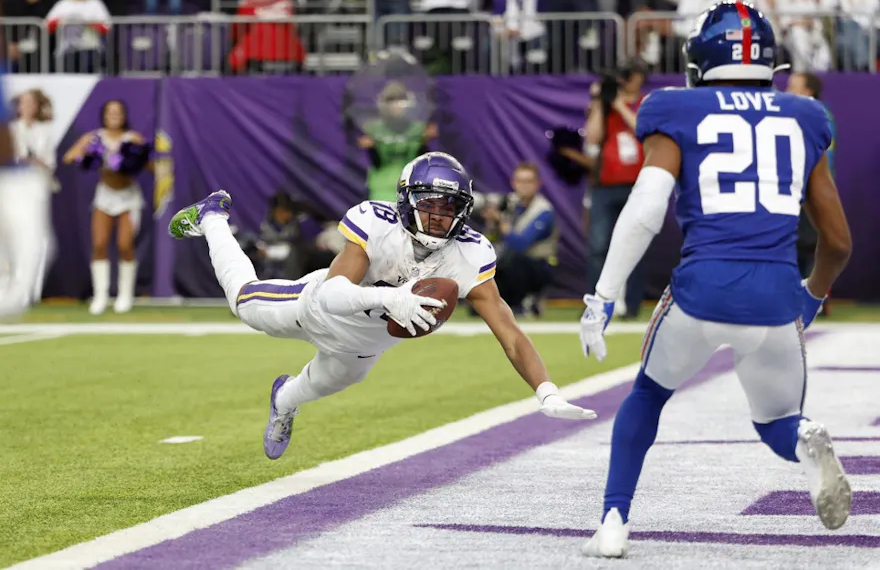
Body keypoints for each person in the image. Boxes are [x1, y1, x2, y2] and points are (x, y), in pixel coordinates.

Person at [578, 1, 852, 558]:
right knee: (779, 422)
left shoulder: (674, 109)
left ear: (699, 59)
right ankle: (805, 443)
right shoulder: (806, 115)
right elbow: (839, 242)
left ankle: (613, 521)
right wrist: (813, 295)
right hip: (775, 297)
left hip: (700, 291)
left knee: (648, 395)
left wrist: (603, 297)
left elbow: (645, 210)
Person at [168, 152, 596, 460]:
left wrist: (547, 392)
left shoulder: (470, 253)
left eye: (450, 209)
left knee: (324, 383)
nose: (439, 218)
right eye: (430, 205)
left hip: (366, 346)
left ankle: (283, 401)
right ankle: (213, 218)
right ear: (406, 200)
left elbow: (510, 332)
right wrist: (392, 297)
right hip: (317, 307)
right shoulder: (377, 223)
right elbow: (336, 292)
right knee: (245, 303)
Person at [62, 99, 151, 315]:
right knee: (100, 243)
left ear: (124, 115)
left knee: (124, 245)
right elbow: (68, 157)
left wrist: (132, 159)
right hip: (105, 196)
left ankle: (125, 295)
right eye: (110, 112)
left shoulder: (133, 138)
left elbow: (151, 165)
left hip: (128, 197)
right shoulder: (95, 137)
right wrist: (89, 155)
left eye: (118, 112)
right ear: (104, 115)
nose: (114, 116)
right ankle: (100, 296)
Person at [585, 59, 648, 319]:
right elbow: (593, 137)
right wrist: (601, 103)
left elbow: (642, 129)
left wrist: (621, 106)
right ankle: (595, 303)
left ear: (638, 78)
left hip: (638, 184)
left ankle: (631, 304)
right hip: (605, 183)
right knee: (598, 245)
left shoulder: (645, 102)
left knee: (634, 243)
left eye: (627, 76)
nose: (623, 82)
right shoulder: (606, 106)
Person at [0, 86, 52, 319]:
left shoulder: (45, 130)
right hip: (11, 183)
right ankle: (7, 291)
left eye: (32, 102)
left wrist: (33, 163)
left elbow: (49, 163)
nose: (27, 106)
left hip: (34, 185)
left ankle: (30, 293)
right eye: (23, 102)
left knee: (39, 243)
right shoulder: (11, 127)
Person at [786, 72, 835, 316]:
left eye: (793, 86)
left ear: (809, 91)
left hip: (808, 189)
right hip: (792, 189)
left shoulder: (817, 116)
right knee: (792, 247)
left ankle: (817, 299)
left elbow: (824, 157)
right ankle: (792, 298)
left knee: (813, 247)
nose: (788, 91)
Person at [483, 162, 557, 316]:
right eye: (519, 181)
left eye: (528, 181)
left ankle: (527, 300)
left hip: (537, 265)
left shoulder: (544, 210)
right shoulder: (509, 203)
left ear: (538, 184)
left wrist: (501, 222)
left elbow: (521, 244)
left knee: (514, 258)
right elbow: (490, 239)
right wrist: (491, 223)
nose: (523, 186)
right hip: (506, 264)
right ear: (513, 182)